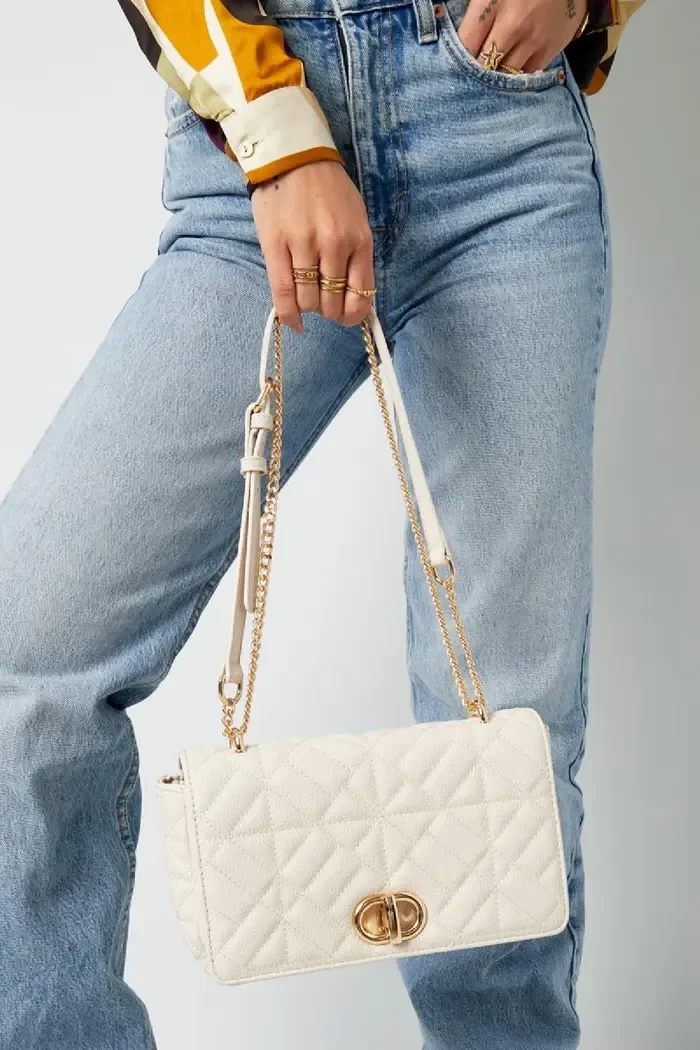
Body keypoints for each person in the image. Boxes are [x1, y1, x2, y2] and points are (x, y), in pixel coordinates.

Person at [0, 0, 644, 1047]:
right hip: (253, 159)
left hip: (503, 146)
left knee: (506, 734)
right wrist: (273, 130)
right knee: (27, 651)